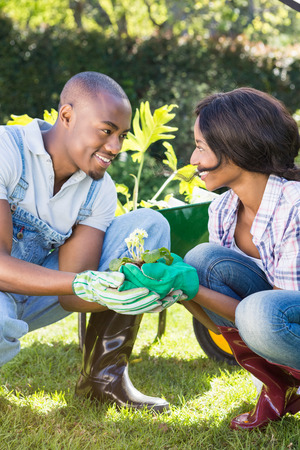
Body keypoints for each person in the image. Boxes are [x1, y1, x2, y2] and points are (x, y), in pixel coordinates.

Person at [0, 71, 197, 413]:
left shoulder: (97, 188)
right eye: (107, 131)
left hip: (34, 294)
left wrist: (136, 293)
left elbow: (71, 297)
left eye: (121, 135)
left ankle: (102, 380)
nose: (115, 147)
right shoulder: (7, 150)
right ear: (67, 116)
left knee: (150, 223)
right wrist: (85, 283)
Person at [181, 87, 300, 430]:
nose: (193, 158)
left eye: (201, 146)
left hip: (287, 312)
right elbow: (228, 319)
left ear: (236, 150)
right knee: (201, 259)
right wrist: (181, 288)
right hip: (273, 316)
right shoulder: (222, 210)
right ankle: (275, 383)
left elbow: (276, 315)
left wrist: (191, 290)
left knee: (259, 312)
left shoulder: (293, 207)